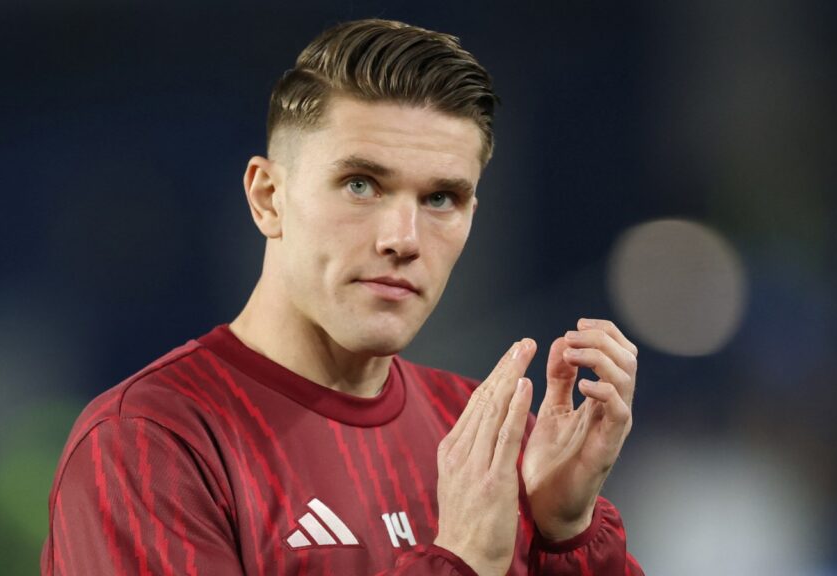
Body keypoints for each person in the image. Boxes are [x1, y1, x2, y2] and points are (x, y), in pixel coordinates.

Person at [42, 19, 643, 576]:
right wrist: (459, 561)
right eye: (361, 185)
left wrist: (566, 535)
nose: (403, 239)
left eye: (440, 199)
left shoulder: (486, 435)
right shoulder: (149, 444)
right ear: (268, 198)